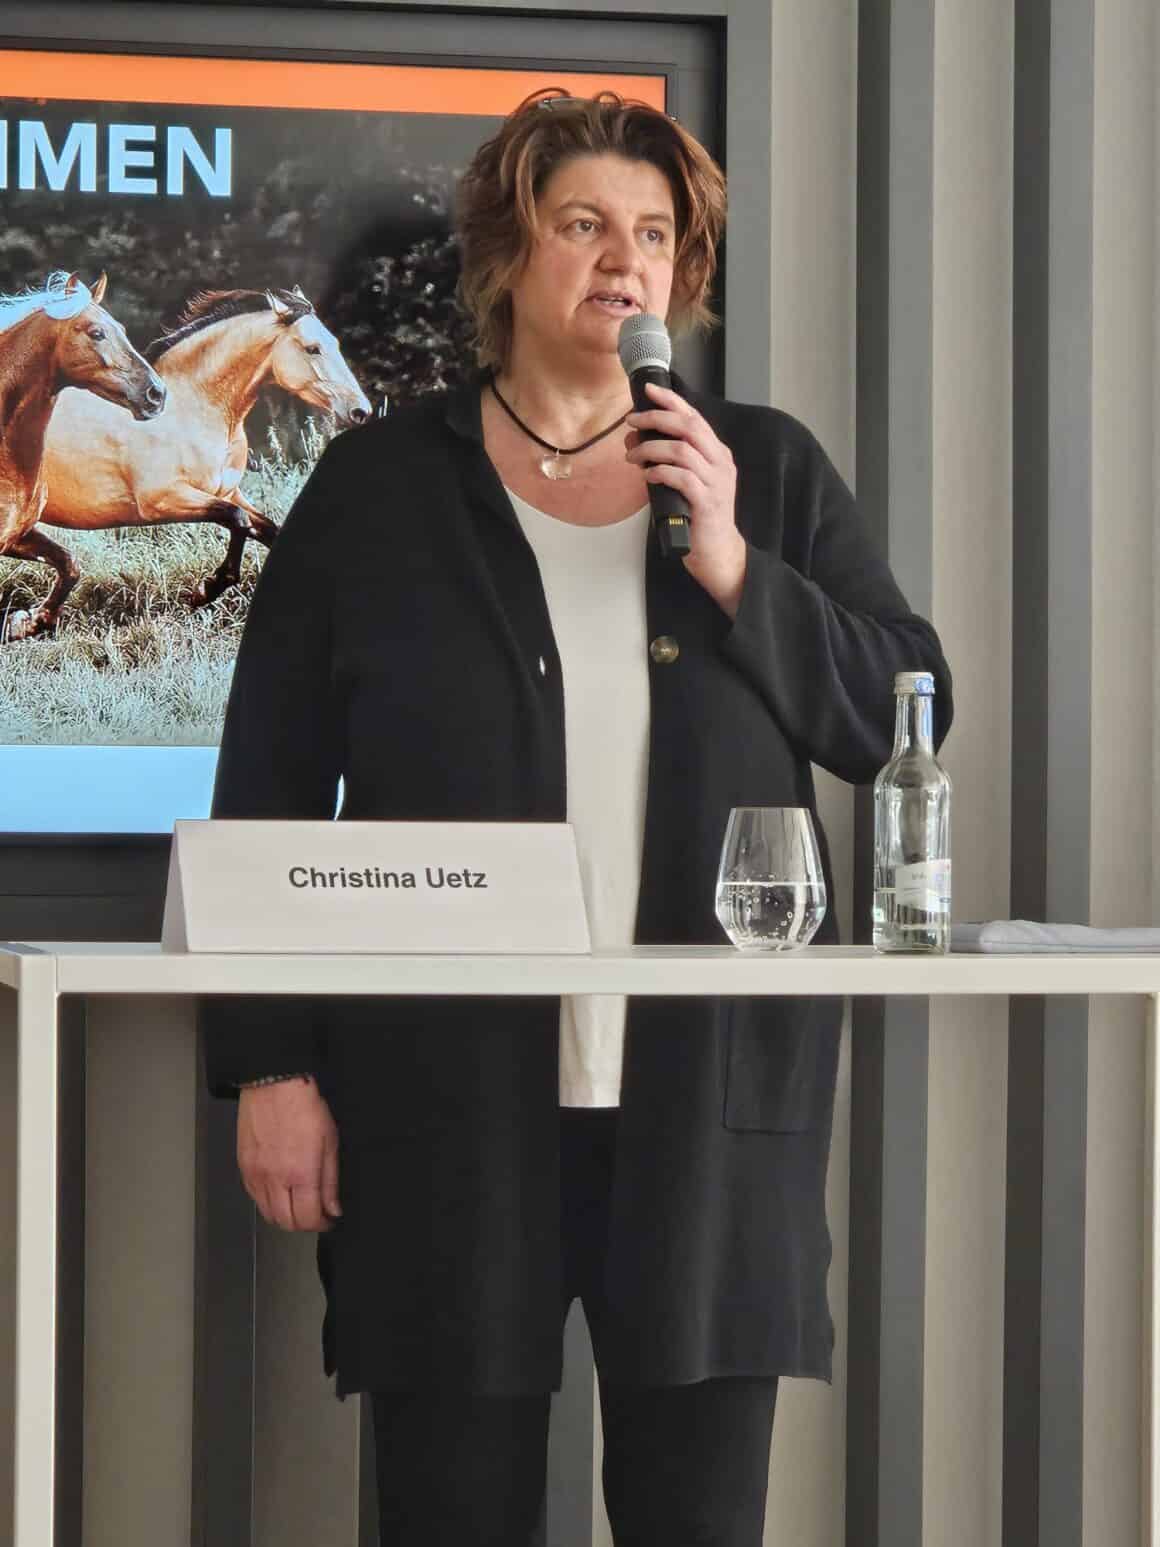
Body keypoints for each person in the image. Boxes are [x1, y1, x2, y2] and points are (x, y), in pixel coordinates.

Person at [202, 90, 952, 1546]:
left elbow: (900, 719)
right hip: (440, 1102)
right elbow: (267, 786)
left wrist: (736, 567)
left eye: (656, 235)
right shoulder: (376, 490)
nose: (625, 261)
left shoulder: (765, 471)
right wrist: (271, 1066)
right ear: (509, 252)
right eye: (585, 225)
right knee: (449, 1516)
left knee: (697, 1522)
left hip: (707, 1111)